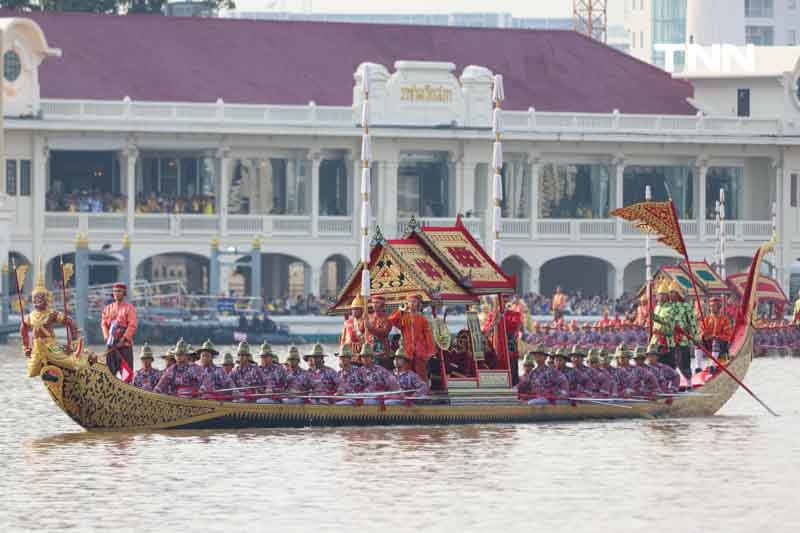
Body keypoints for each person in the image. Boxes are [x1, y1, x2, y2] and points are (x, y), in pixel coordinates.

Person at [21, 263, 84, 378]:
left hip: (51, 345)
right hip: (36, 347)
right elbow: (23, 328)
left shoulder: (52, 314)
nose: (37, 300)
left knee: (72, 364)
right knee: (31, 372)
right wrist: (25, 347)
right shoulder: (30, 316)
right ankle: (47, 372)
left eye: (40, 297)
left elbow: (70, 322)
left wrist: (73, 343)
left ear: (47, 299)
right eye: (35, 298)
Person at [388, 294, 435, 381]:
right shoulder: (404, 317)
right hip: (407, 349)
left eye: (414, 302)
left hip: (420, 350)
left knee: (421, 373)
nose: (412, 304)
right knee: (406, 372)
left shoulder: (422, 319)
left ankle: (424, 390)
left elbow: (428, 336)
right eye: (410, 302)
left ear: (418, 304)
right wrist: (400, 310)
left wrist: (430, 351)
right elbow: (391, 320)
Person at [101, 282, 138, 379]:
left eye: (119, 291)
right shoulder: (107, 308)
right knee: (109, 373)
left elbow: (132, 325)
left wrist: (124, 339)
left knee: (126, 374)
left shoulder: (129, 308)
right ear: (112, 293)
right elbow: (104, 324)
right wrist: (107, 337)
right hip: (111, 343)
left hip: (124, 344)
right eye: (115, 291)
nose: (117, 293)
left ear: (124, 293)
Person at [700, 296, 732, 362]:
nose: (711, 308)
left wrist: (716, 337)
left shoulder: (725, 319)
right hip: (709, 345)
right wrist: (704, 335)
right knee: (698, 342)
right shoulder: (706, 319)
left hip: (721, 346)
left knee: (715, 341)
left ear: (719, 307)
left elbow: (728, 335)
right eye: (711, 306)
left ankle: (713, 364)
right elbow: (702, 332)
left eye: (714, 306)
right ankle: (698, 367)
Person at [366, 294, 393, 368]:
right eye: (373, 302)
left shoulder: (388, 318)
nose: (374, 304)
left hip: (383, 351)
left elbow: (384, 333)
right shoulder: (368, 317)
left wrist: (370, 328)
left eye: (377, 302)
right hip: (370, 349)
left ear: (382, 305)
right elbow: (362, 331)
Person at [340, 294, 368, 361]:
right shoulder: (347, 322)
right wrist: (341, 349)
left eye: (356, 309)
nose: (354, 311)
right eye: (353, 309)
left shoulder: (365, 321)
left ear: (361, 310)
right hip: (348, 351)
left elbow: (367, 338)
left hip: (361, 351)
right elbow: (343, 339)